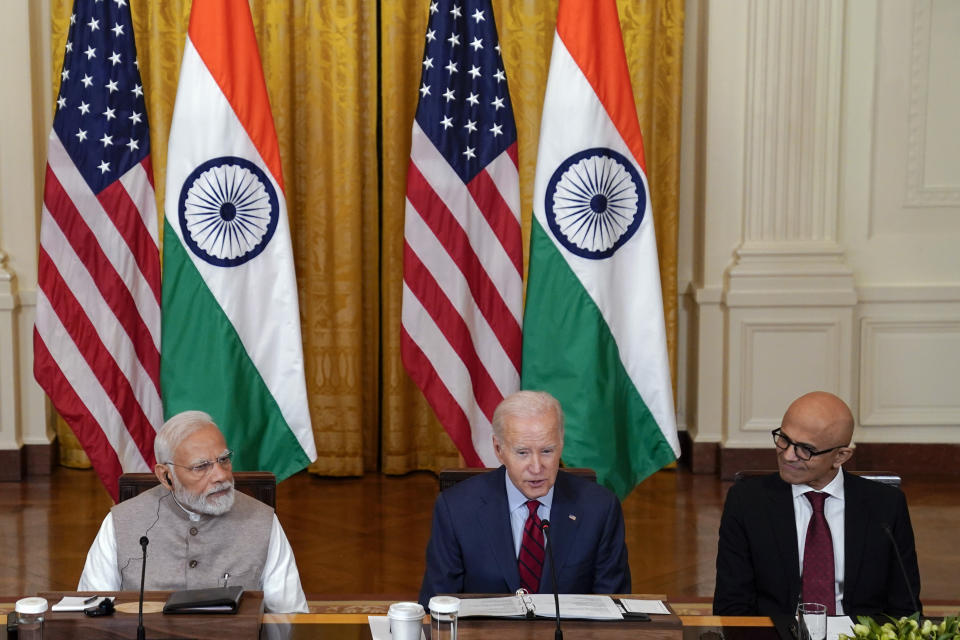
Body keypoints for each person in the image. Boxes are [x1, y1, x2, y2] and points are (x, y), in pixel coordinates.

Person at [713, 391, 921, 617]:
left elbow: (905, 607)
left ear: (840, 456)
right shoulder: (746, 502)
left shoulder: (886, 506)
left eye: (806, 449)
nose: (788, 456)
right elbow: (731, 607)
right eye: (784, 439)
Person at [78, 411, 308, 613]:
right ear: (165, 476)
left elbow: (289, 616)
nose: (220, 475)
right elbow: (91, 610)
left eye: (224, 460)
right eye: (201, 466)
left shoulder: (262, 521)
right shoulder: (121, 522)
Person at [418, 390, 630, 606]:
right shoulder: (456, 509)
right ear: (498, 449)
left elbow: (613, 608)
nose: (537, 468)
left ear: (561, 443)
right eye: (522, 453)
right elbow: (437, 606)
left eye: (547, 451)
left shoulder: (600, 508)